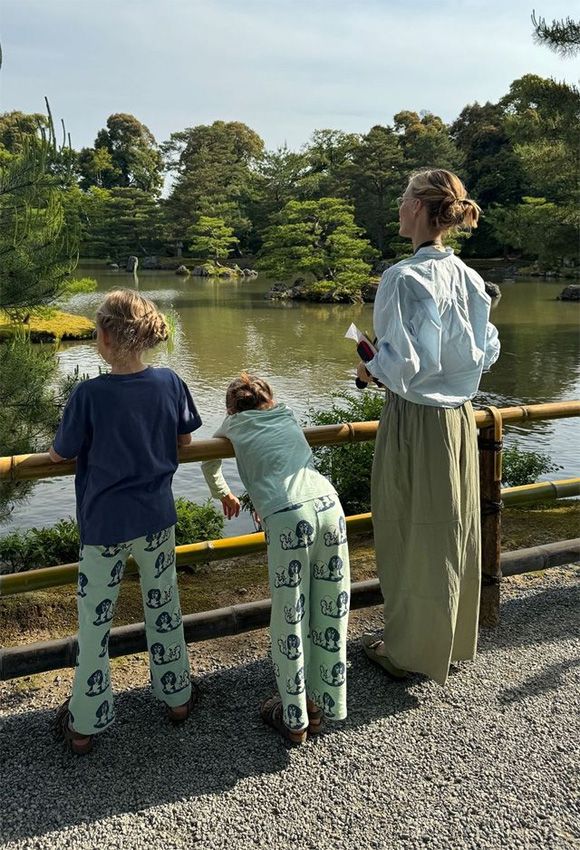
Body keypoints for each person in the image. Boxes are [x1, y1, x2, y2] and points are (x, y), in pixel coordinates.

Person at [357, 169, 500, 686]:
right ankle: (451, 641)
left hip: (414, 419)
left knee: (407, 531)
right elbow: (488, 351)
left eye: (402, 198)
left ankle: (410, 652)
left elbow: (402, 366)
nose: (398, 206)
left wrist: (369, 367)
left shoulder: (402, 277)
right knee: (451, 529)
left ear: (419, 207)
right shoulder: (468, 276)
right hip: (458, 420)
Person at [50, 289, 202, 754]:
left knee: (96, 624)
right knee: (164, 607)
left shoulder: (91, 394)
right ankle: (177, 697)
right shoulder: (171, 382)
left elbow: (62, 452)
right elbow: (186, 443)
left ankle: (86, 723)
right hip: (156, 517)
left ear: (106, 337)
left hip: (104, 526)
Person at [201, 373, 350, 744]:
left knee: (291, 615)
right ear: (271, 399)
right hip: (329, 505)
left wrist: (226, 495)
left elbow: (209, 463)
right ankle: (322, 702)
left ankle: (294, 717)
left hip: (287, 516)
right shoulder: (285, 415)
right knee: (330, 606)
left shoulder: (233, 424)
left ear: (231, 407)